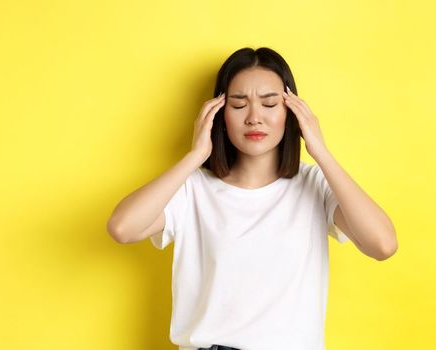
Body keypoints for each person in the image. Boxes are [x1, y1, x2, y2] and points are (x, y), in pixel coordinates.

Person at [106, 47, 397, 350]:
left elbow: (383, 245)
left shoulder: (314, 184)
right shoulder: (192, 189)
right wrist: (195, 156)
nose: (254, 118)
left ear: (292, 112)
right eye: (238, 104)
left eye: (270, 103)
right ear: (218, 113)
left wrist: (320, 151)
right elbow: (123, 228)